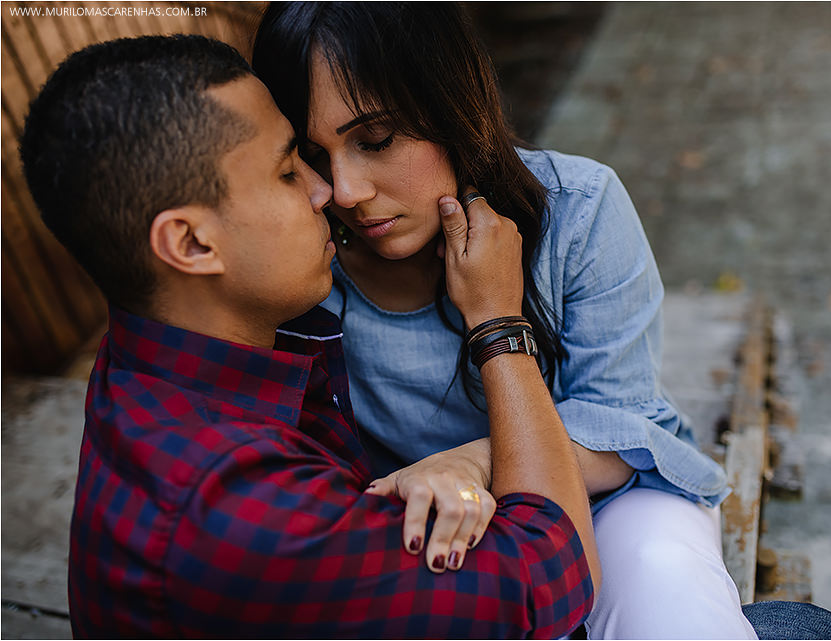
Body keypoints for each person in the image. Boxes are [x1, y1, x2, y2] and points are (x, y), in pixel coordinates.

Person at [19, 34, 601, 638]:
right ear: (191, 243)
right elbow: (554, 571)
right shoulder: (248, 514)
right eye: (287, 171)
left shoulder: (143, 364)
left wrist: (465, 462)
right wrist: (498, 324)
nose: (330, 192)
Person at [251, 3, 754, 638]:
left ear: (450, 100)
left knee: (662, 576)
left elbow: (624, 425)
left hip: (609, 507)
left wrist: (469, 460)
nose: (346, 191)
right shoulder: (305, 264)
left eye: (376, 141)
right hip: (429, 533)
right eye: (314, 155)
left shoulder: (578, 210)